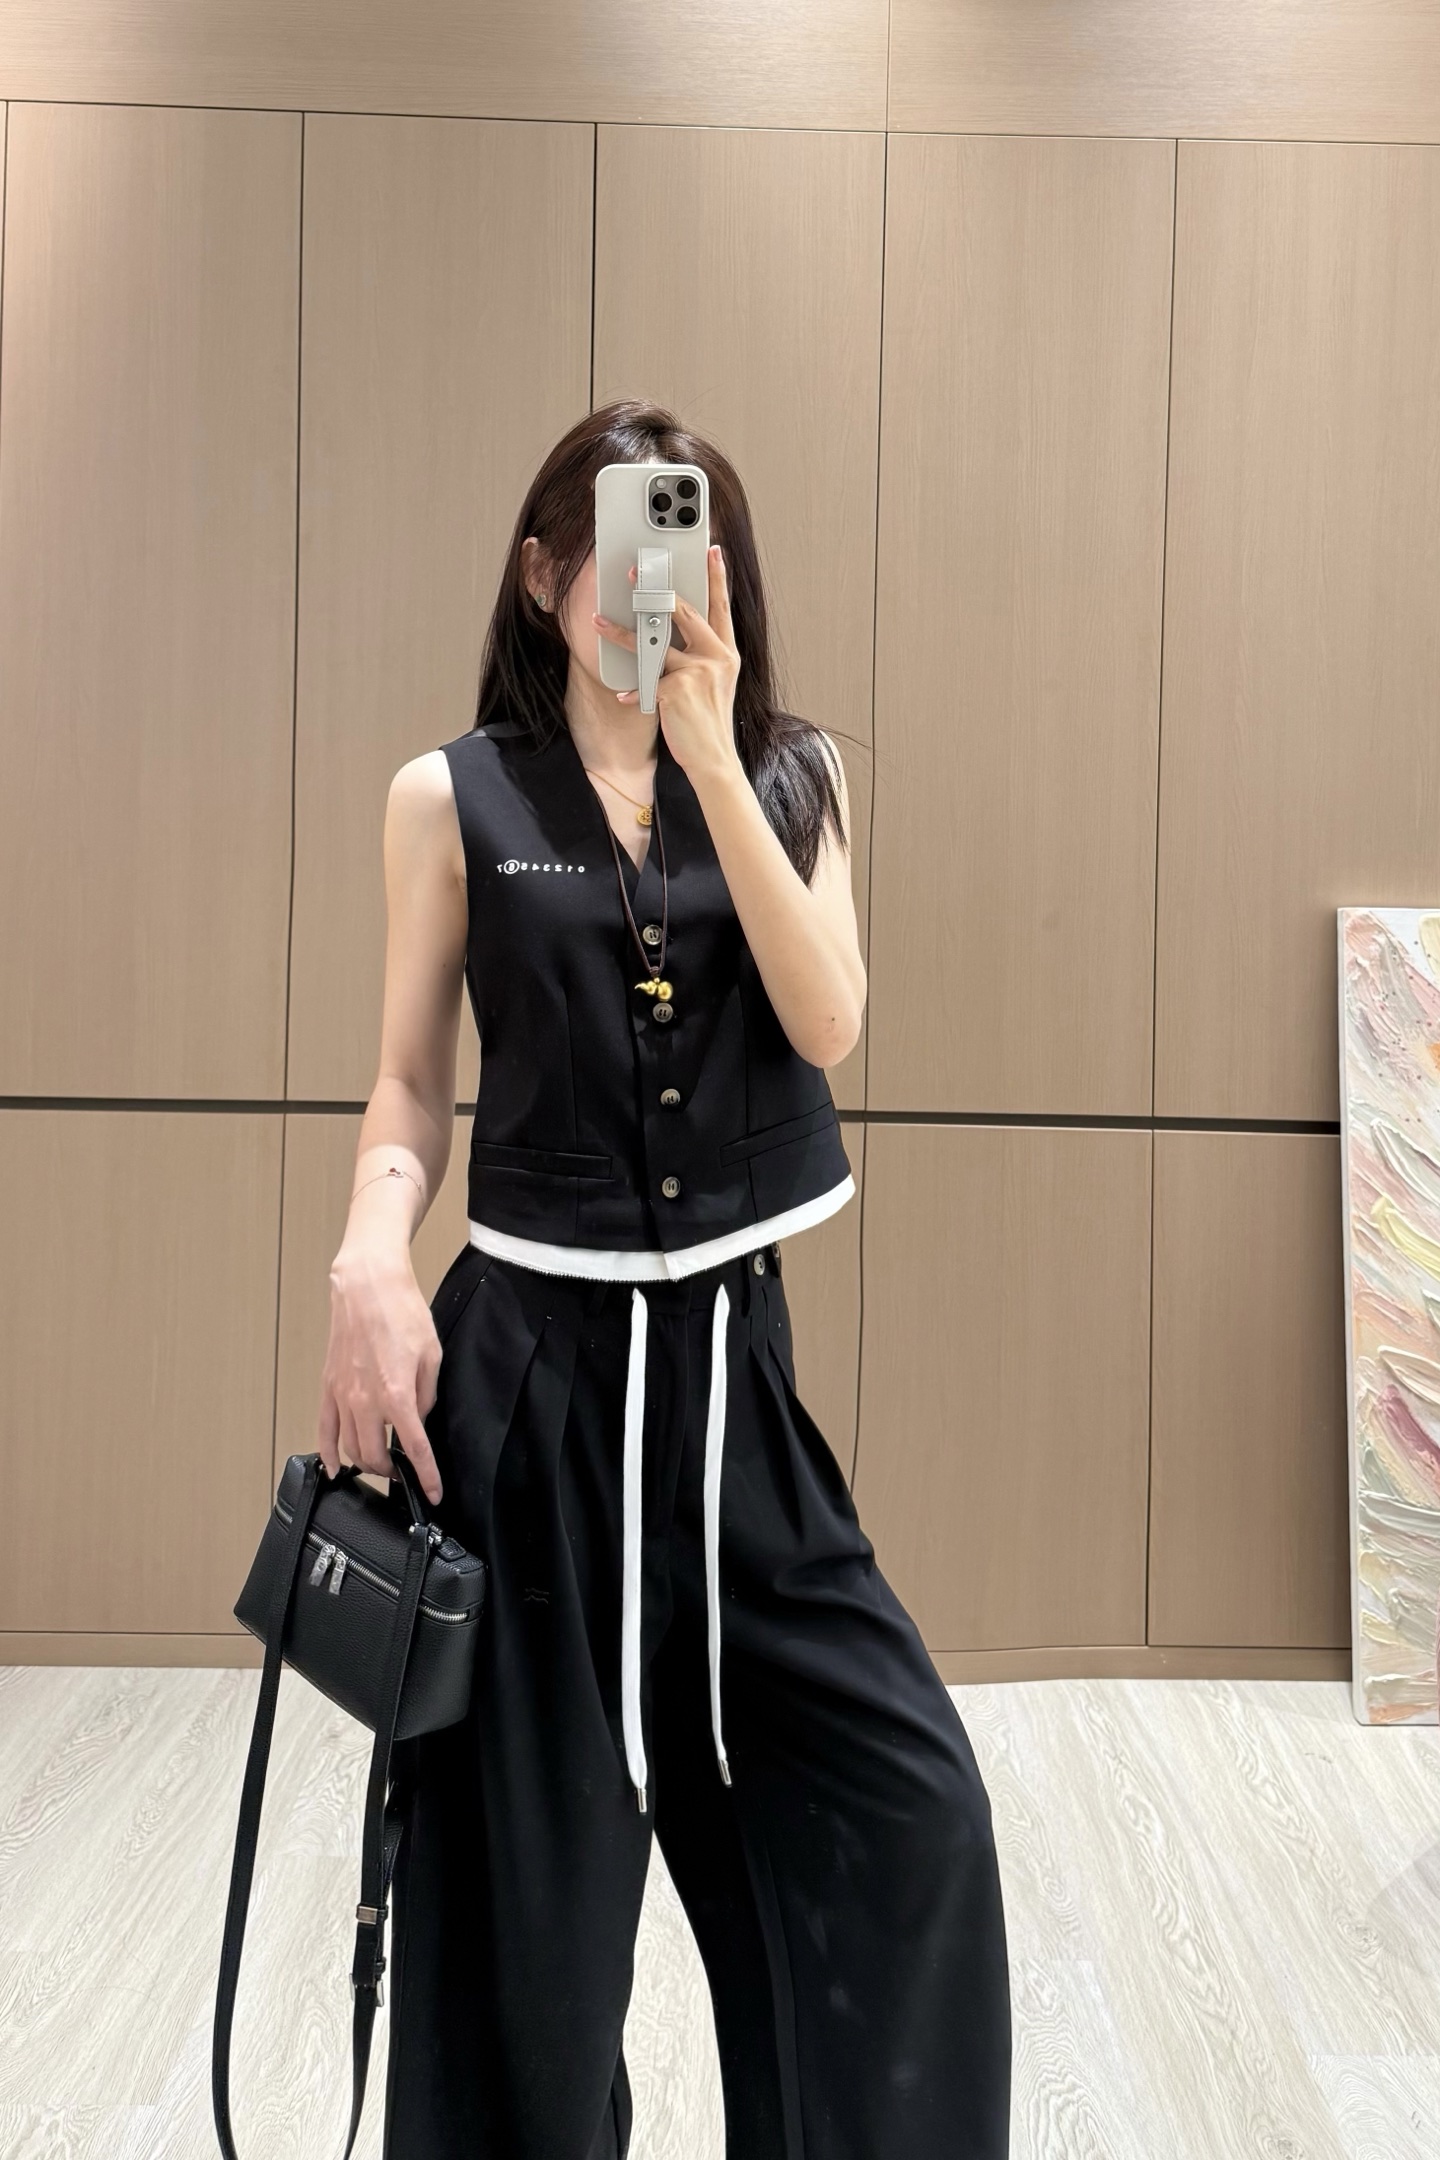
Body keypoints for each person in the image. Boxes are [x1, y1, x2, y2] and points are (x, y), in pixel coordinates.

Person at [316, 401, 1012, 2159]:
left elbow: (828, 1018)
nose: (650, 584)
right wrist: (369, 1250)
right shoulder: (450, 798)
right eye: (615, 548)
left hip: (734, 1406)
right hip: (524, 1405)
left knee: (909, 1831)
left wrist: (708, 750)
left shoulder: (796, 775)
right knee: (516, 1935)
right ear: (545, 574)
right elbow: (410, 1081)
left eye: (684, 545)